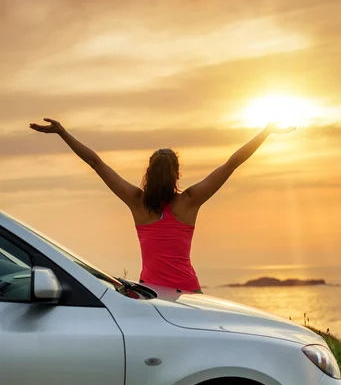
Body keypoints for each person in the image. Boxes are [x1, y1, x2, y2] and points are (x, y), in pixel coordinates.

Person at [29, 118, 294, 292]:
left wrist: (63, 133)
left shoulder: (137, 202)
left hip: (150, 295)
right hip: (189, 293)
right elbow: (232, 163)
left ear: (149, 173)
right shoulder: (189, 202)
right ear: (176, 174)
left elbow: (96, 163)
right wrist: (265, 132)